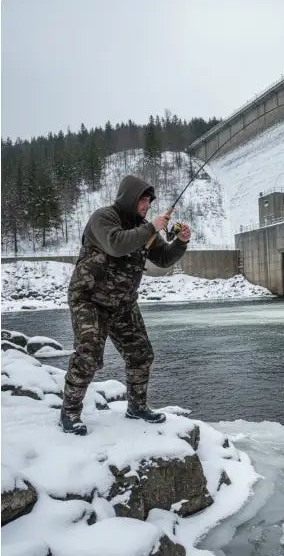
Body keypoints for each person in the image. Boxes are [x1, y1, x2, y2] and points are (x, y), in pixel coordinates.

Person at [60, 174, 191, 435]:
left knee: (141, 355)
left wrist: (181, 242)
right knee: (88, 353)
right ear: (130, 198)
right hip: (90, 299)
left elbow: (163, 258)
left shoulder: (145, 228)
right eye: (143, 200)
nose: (147, 206)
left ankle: (137, 407)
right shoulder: (104, 218)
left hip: (123, 304)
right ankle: (69, 413)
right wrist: (151, 227)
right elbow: (116, 244)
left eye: (150, 201)